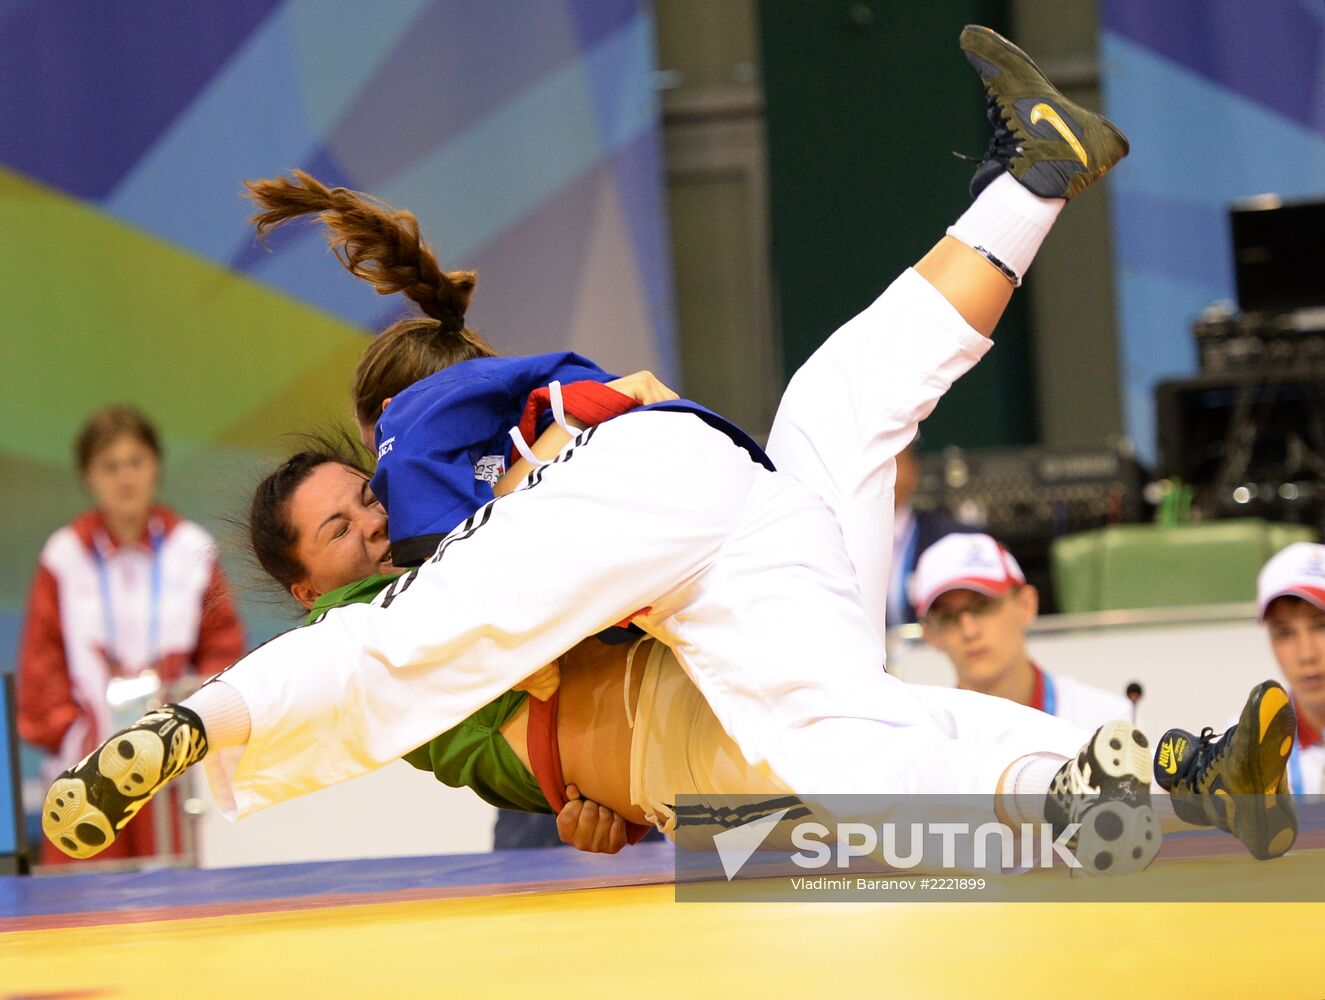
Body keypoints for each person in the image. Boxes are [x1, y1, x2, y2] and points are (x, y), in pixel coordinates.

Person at [43, 26, 1294, 873]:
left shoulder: (437, 505)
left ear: (387, 456)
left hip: (654, 577)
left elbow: (411, 646)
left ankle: (189, 725)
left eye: (362, 510)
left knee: (394, 648)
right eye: (343, 537)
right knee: (838, 422)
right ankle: (1028, 185)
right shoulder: (505, 423)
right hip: (730, 532)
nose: (371, 530)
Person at [18, 405, 245, 864]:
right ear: (89, 477)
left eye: (136, 462)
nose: (125, 478)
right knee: (85, 916)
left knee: (183, 909)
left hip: (174, 769)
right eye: (110, 466)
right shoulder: (64, 555)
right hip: (87, 774)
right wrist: (79, 737)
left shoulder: (192, 548)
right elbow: (42, 663)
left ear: (156, 466)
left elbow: (222, 651)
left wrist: (189, 726)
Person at [913, 532, 1134, 730]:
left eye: (983, 605)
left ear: (1026, 605)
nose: (969, 631)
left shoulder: (1107, 725)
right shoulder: (920, 742)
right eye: (947, 617)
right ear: (930, 636)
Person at [885, 439, 971, 628]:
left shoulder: (954, 538)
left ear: (914, 470)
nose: (880, 477)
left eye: (890, 463)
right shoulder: (830, 540)